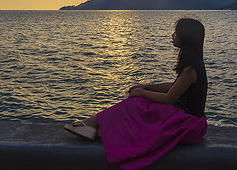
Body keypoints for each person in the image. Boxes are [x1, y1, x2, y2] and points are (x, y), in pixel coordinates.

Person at [64, 18, 208, 170]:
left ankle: (93, 123)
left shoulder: (190, 70)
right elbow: (174, 87)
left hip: (187, 124)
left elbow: (168, 98)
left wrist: (142, 93)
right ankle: (98, 126)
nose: (172, 35)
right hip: (187, 119)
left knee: (138, 103)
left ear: (186, 38)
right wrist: (146, 87)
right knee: (141, 104)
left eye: (176, 33)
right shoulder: (193, 66)